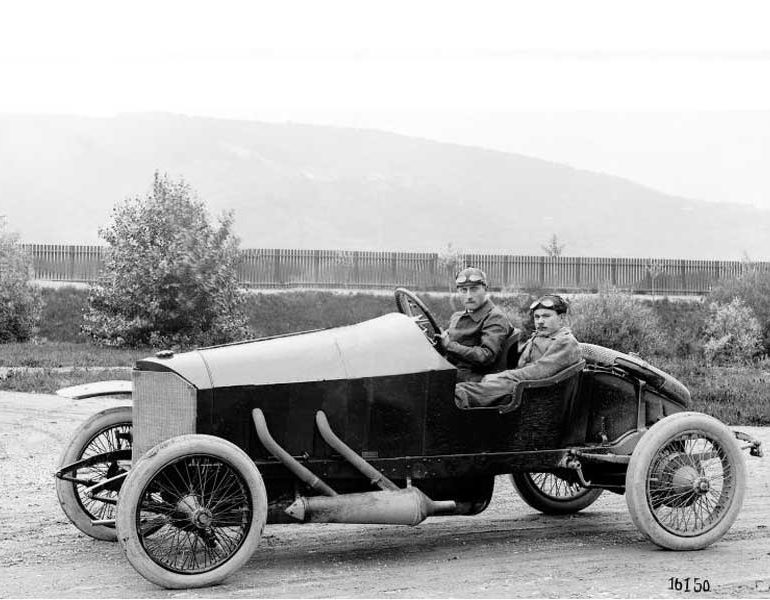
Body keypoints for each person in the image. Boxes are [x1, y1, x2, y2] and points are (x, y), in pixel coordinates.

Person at [454, 294, 580, 408]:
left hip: (531, 394)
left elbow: (538, 372)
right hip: (520, 387)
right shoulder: (539, 336)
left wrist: (501, 376)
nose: (540, 321)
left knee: (461, 392)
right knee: (459, 382)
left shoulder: (565, 342)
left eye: (546, 316)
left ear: (562, 318)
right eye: (537, 317)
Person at [437, 267, 512, 383]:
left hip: (472, 379)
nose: (468, 296)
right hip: (450, 369)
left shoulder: (494, 317)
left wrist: (449, 345)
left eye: (474, 289)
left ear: (485, 289)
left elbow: (485, 356)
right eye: (463, 290)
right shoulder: (457, 316)